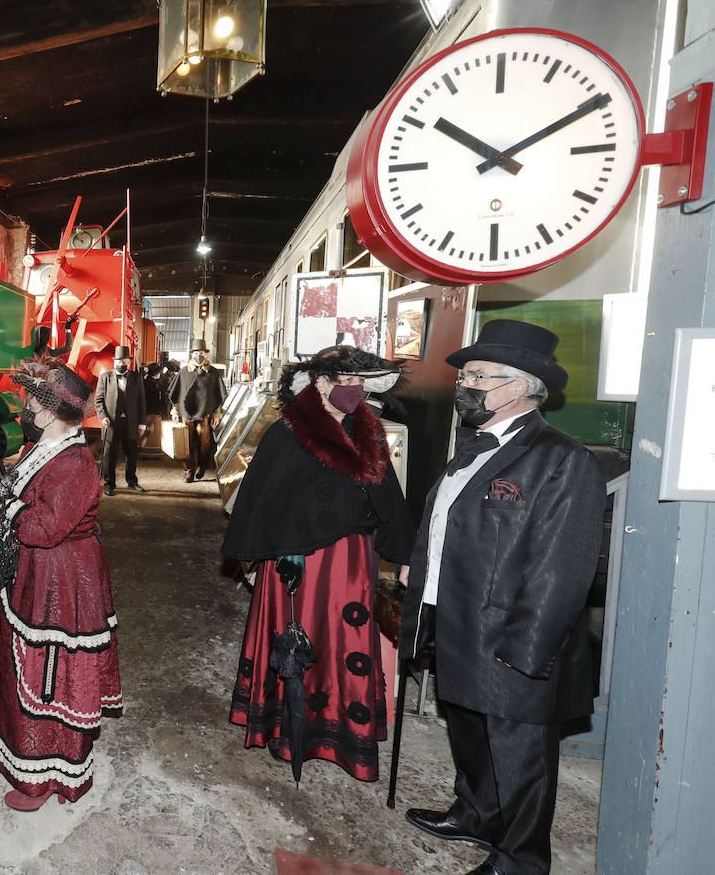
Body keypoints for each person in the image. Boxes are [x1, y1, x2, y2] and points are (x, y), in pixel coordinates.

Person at [399, 320, 605, 875]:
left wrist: (527, 652)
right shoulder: (474, 447)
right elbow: (450, 526)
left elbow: (562, 569)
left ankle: (520, 859)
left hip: (511, 637)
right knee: (467, 729)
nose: (463, 385)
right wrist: (418, 580)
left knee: (519, 755)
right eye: (464, 375)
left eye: (476, 377)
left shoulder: (561, 460)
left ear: (519, 387)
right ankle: (477, 814)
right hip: (456, 619)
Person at [221, 346, 414, 782]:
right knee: (298, 638)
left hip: (351, 560)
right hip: (300, 559)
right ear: (321, 383)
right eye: (347, 382)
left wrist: (404, 553)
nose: (356, 392)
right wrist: (277, 545)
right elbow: (265, 498)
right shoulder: (288, 432)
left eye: (361, 384)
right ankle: (288, 729)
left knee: (344, 638)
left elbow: (388, 494)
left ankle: (343, 730)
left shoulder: (369, 432)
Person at [0, 357, 122, 810]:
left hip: (62, 579)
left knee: (53, 672)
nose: (22, 407)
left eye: (28, 400)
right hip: (38, 573)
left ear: (46, 411)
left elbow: (43, 528)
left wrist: (9, 506)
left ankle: (51, 774)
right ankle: (24, 759)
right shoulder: (40, 447)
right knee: (27, 663)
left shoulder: (76, 461)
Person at [94, 346, 146, 495]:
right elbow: (98, 400)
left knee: (132, 455)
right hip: (111, 424)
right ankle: (109, 484)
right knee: (110, 455)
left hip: (131, 424)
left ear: (128, 362)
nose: (121, 364)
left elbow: (141, 402)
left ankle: (132, 481)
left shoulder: (137, 378)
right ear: (114, 362)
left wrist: (142, 424)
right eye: (119, 361)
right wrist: (103, 417)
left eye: (124, 361)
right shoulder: (105, 377)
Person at [171, 339, 225, 482]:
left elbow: (218, 396)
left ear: (206, 354)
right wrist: (175, 411)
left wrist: (217, 414)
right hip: (186, 413)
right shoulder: (184, 372)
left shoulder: (213, 373)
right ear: (191, 355)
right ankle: (189, 470)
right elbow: (176, 394)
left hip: (205, 413)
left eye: (201, 353)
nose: (198, 355)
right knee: (186, 443)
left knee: (205, 443)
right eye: (195, 353)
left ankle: (202, 466)